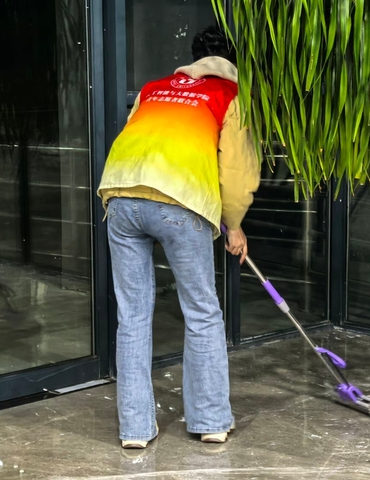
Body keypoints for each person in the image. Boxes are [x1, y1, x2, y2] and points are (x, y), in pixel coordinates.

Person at [97, 25, 260, 448]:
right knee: (202, 312)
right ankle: (210, 421)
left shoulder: (154, 89)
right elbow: (237, 172)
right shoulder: (229, 96)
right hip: (179, 202)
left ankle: (135, 430)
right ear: (236, 62)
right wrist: (234, 224)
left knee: (132, 314)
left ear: (194, 57)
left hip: (121, 196)